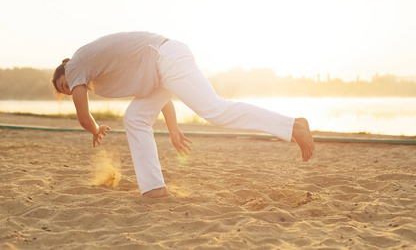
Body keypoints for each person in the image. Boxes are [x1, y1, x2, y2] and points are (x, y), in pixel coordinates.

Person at [52, 32, 315, 198]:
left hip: (165, 59)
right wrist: (173, 129)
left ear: (65, 72)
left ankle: (293, 126)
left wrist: (96, 130)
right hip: (161, 67)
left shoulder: (75, 66)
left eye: (64, 86)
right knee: (135, 118)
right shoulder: (94, 69)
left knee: (215, 110)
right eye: (65, 92)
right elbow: (160, 95)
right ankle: (154, 189)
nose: (69, 90)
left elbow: (84, 118)